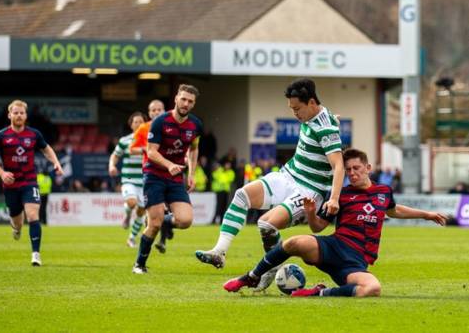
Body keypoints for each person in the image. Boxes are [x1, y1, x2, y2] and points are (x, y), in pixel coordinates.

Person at [223, 149, 447, 296]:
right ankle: (251, 277)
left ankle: (318, 292)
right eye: (348, 170)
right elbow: (318, 227)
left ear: (368, 168)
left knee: (373, 288)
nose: (352, 173)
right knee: (293, 243)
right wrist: (311, 213)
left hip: (355, 261)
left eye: (356, 169)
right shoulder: (340, 194)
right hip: (333, 247)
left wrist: (426, 215)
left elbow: (394, 210)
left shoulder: (383, 191)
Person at [196, 78, 345, 292]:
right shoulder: (317, 115)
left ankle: (271, 269)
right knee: (241, 195)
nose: (295, 114)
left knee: (266, 224)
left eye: (297, 108)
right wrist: (334, 119)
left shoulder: (326, 128)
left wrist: (334, 198)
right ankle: (219, 251)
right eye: (292, 108)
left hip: (309, 189)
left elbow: (338, 165)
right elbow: (327, 117)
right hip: (288, 175)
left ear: (312, 102)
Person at [132, 84, 203, 274]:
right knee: (153, 224)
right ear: (176, 99)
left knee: (185, 220)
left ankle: (164, 220)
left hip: (175, 177)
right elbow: (151, 152)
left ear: (193, 104)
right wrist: (169, 164)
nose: (186, 103)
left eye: (190, 101)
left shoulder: (195, 125)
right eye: (183, 99)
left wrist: (192, 173)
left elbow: (194, 148)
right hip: (154, 175)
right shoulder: (160, 122)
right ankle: (139, 264)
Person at [0, 100, 63, 266]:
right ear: (10, 115)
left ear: (26, 115)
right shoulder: (1, 136)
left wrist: (56, 162)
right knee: (18, 221)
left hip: (29, 182)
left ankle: (36, 254)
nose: (19, 115)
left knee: (33, 215)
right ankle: (16, 228)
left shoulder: (34, 134)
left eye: (21, 113)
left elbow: (46, 149)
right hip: (10, 184)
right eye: (15, 113)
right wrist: (1, 173)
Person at [129, 99, 169, 252]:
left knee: (168, 209)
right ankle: (149, 238)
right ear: (149, 113)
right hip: (151, 172)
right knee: (154, 209)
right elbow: (132, 149)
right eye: (154, 110)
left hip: (170, 171)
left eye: (160, 109)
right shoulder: (143, 128)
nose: (157, 112)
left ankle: (163, 239)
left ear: (164, 110)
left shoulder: (171, 126)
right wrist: (146, 150)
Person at [109, 111, 147, 247]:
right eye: (135, 122)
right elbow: (115, 155)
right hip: (129, 178)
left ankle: (131, 238)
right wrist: (112, 165)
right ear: (131, 125)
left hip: (144, 181)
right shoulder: (125, 141)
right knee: (132, 202)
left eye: (141, 122)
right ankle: (127, 214)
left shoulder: (151, 141)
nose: (138, 124)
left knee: (142, 210)